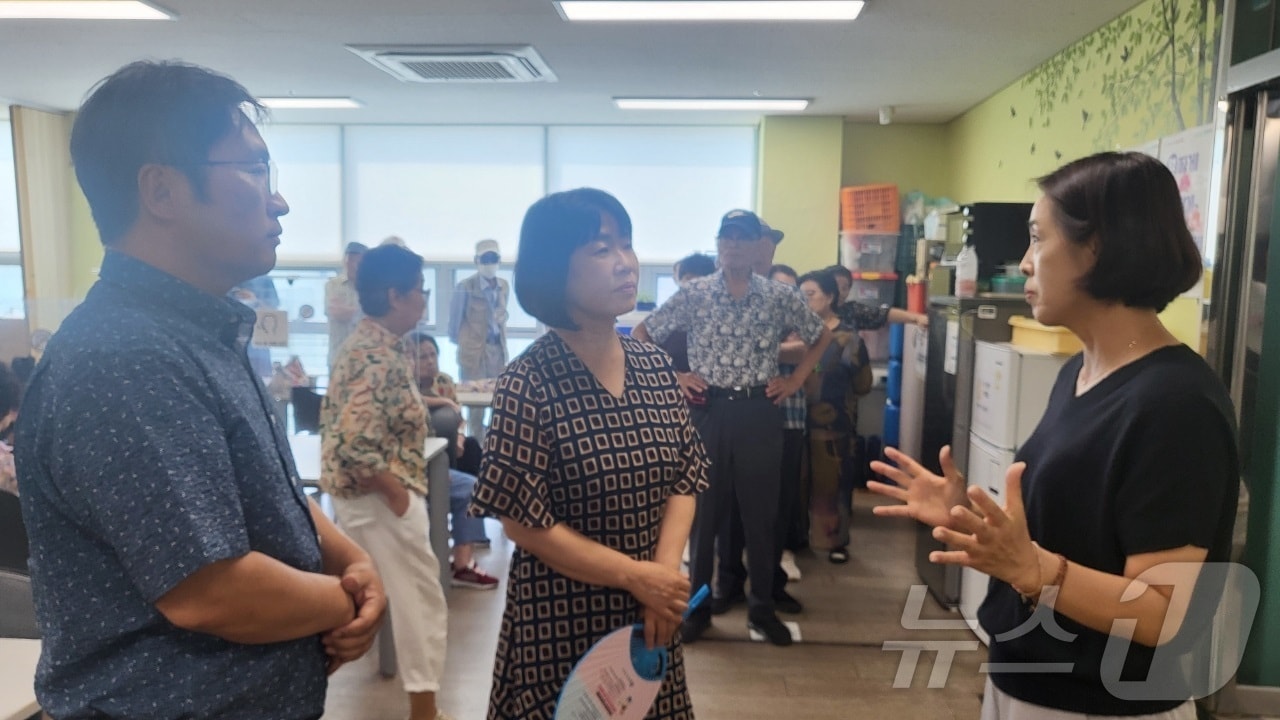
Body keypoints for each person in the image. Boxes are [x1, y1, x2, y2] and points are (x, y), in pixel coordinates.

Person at [14, 60, 385, 719]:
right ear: (161, 191)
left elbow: (267, 501)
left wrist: (351, 557)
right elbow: (210, 591)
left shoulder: (199, 329)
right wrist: (349, 596)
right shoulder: (125, 355)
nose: (280, 201)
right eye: (253, 170)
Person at [869, 151, 1238, 719]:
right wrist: (969, 516)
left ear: (1098, 248)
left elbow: (1163, 612)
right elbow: (1072, 525)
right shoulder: (1079, 373)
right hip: (1028, 681)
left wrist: (1034, 571)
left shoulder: (1176, 405)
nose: (1023, 263)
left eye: (1038, 239)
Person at [469, 188, 709, 719]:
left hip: (649, 617)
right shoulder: (526, 383)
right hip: (561, 622)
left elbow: (684, 479)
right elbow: (524, 524)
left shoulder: (653, 367)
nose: (625, 262)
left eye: (626, 244)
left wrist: (662, 577)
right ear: (556, 270)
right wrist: (634, 575)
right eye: (602, 249)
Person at [634, 209, 832, 646]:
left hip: (760, 411)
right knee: (703, 519)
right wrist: (676, 376)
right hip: (707, 412)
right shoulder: (696, 292)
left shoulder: (775, 295)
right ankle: (698, 609)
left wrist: (796, 380)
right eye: (728, 238)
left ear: (758, 245)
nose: (735, 246)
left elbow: (821, 334)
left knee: (762, 517)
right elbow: (643, 333)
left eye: (744, 239)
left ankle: (761, 610)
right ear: (719, 244)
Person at [321, 244, 453, 720]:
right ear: (395, 295)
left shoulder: (374, 346)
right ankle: (424, 709)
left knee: (388, 603)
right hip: (380, 500)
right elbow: (356, 445)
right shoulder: (373, 354)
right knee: (419, 604)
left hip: (374, 499)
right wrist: (397, 496)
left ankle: (425, 705)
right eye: (420, 291)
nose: (424, 300)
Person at [409, 331, 499, 589]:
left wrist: (459, 435)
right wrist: (443, 401)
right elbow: (418, 402)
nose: (429, 361)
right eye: (422, 356)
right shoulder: (402, 386)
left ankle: (463, 564)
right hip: (414, 465)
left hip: (443, 458)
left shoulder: (444, 381)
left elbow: (457, 420)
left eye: (433, 354)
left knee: (470, 455)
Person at [798, 270, 872, 564]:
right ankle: (800, 539)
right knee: (799, 483)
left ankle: (835, 542)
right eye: (800, 295)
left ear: (829, 297)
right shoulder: (794, 334)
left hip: (835, 426)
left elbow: (863, 384)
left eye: (810, 294)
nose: (804, 301)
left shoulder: (849, 338)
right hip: (795, 422)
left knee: (834, 485)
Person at [449, 238, 510, 383]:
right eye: (485, 258)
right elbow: (454, 325)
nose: (489, 263)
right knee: (474, 399)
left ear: (499, 260)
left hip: (498, 349)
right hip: (473, 353)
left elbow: (501, 314)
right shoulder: (465, 287)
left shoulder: (504, 286)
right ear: (476, 260)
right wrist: (467, 345)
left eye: (493, 258)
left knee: (498, 397)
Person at [326, 240, 368, 370]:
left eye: (357, 261)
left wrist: (349, 312)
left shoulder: (371, 288)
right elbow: (336, 313)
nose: (352, 265)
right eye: (349, 260)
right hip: (338, 356)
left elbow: (373, 318)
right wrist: (360, 313)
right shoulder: (333, 284)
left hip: (365, 359)